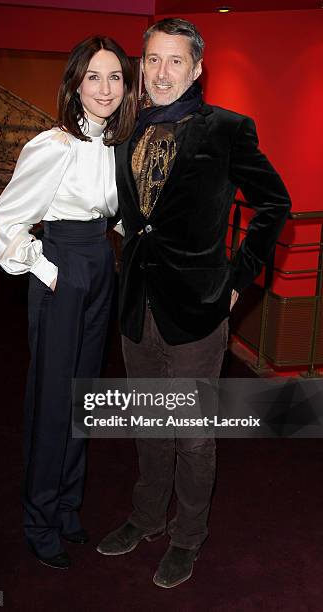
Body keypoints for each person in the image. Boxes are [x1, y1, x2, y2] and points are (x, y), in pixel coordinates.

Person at [97, 18, 291, 588]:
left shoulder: (228, 129)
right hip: (136, 304)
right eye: (152, 60)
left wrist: (237, 281)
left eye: (174, 61)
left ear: (197, 68)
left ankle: (188, 536)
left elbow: (273, 206)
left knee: (194, 432)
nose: (160, 73)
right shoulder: (126, 127)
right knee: (149, 424)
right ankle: (147, 517)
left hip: (200, 308)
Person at [0, 36, 136, 569]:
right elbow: (4, 224)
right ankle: (39, 516)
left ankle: (69, 504)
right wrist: (48, 269)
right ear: (75, 83)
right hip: (63, 267)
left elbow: (112, 210)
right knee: (53, 399)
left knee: (84, 397)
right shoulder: (53, 145)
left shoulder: (116, 145)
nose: (105, 88)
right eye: (94, 76)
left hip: (100, 264)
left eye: (115, 77)